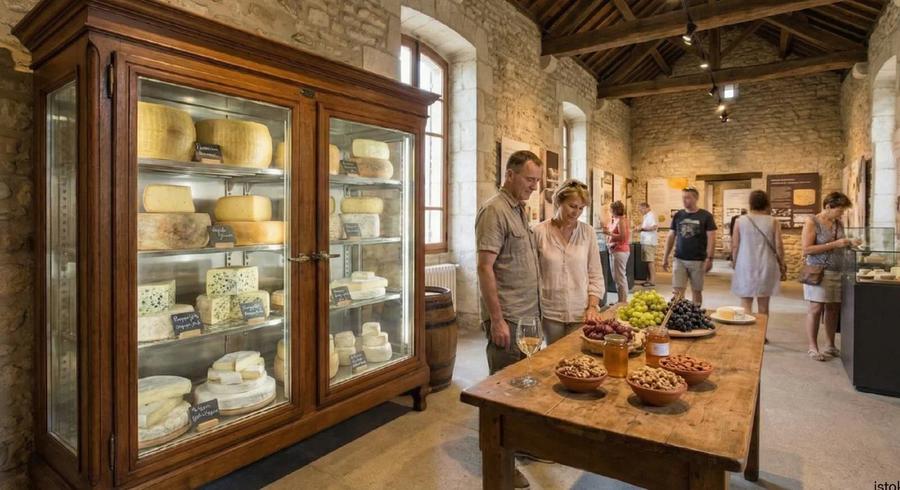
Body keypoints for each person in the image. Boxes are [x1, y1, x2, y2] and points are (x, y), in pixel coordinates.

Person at [475, 149, 543, 489]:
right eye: (530, 179)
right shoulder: (495, 211)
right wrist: (497, 320)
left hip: (528, 314)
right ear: (510, 174)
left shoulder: (519, 209)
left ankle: (521, 444)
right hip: (510, 317)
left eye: (537, 180)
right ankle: (501, 462)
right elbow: (485, 268)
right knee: (502, 394)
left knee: (523, 388)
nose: (534, 186)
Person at [533, 179, 605, 344]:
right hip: (550, 312)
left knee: (576, 355)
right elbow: (532, 276)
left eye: (581, 208)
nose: (576, 212)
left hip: (581, 311)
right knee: (553, 355)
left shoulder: (588, 232)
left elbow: (595, 274)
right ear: (559, 201)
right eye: (572, 206)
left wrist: (592, 307)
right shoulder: (539, 232)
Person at [801, 192, 858, 362]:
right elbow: (807, 249)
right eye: (840, 210)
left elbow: (840, 244)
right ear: (828, 207)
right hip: (818, 271)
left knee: (833, 309)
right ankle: (813, 347)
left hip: (837, 270)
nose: (842, 214)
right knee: (816, 308)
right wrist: (835, 244)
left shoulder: (838, 223)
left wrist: (849, 242)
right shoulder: (812, 222)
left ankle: (830, 345)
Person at [731, 191, 784, 315]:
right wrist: (782, 263)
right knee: (764, 305)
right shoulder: (773, 221)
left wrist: (734, 261)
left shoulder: (740, 221)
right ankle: (762, 328)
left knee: (745, 302)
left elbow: (735, 245)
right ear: (766, 203)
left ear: (751, 203)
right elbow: (779, 246)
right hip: (766, 263)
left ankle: (747, 326)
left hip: (745, 263)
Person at [662, 187, 717, 305]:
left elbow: (711, 238)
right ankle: (678, 314)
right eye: (683, 198)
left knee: (696, 291)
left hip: (698, 260)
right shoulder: (678, 215)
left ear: (696, 198)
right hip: (679, 259)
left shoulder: (706, 216)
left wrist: (709, 258)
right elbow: (671, 236)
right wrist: (665, 256)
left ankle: (696, 313)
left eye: (687, 198)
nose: (684, 200)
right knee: (677, 292)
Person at [605, 200, 631, 304]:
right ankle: (620, 300)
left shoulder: (621, 221)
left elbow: (623, 237)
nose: (609, 211)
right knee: (617, 277)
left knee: (620, 277)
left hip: (620, 251)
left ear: (614, 210)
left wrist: (609, 233)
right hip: (615, 250)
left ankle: (623, 302)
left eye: (610, 209)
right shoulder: (616, 220)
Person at [635, 202, 658, 287]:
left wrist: (642, 229)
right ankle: (648, 280)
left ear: (646, 207)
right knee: (647, 261)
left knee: (650, 261)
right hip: (646, 241)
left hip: (649, 242)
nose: (640, 211)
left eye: (641, 209)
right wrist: (640, 227)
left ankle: (652, 281)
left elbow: (654, 227)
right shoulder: (646, 216)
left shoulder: (651, 215)